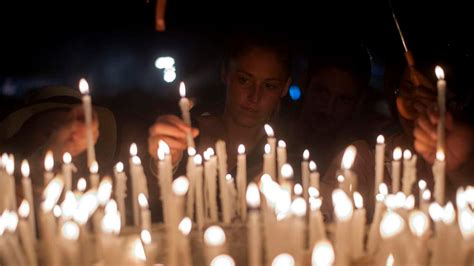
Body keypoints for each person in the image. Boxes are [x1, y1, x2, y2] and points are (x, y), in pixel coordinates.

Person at [148, 32, 291, 180]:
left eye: (269, 86)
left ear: (285, 87)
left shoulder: (288, 155)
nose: (254, 97)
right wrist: (163, 160)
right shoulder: (186, 134)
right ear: (226, 73)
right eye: (244, 80)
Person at [288, 42, 376, 175]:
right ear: (305, 84)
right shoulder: (270, 139)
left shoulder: (364, 164)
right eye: (322, 93)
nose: (329, 108)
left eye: (343, 100)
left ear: (358, 103)